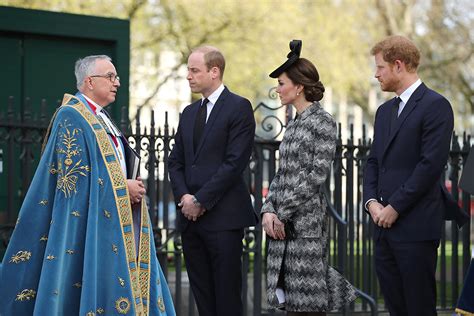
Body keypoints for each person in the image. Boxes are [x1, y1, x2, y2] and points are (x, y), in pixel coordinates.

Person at [0, 55, 175, 315]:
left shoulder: (101, 118)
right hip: (88, 225)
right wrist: (122, 188)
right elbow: (72, 181)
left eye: (116, 77)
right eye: (111, 76)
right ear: (90, 81)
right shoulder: (71, 116)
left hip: (113, 220)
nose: (117, 82)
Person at [363, 35, 458, 315]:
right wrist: (371, 203)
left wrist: (395, 207)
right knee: (395, 308)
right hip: (382, 228)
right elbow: (373, 162)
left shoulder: (436, 106)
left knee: (418, 308)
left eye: (380, 67)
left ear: (398, 65)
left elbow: (430, 166)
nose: (376, 74)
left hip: (415, 227)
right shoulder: (383, 112)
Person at [261, 40, 357, 316]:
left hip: (305, 223)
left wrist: (283, 211)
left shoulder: (322, 121)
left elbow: (317, 174)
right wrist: (268, 210)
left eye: (281, 83)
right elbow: (282, 174)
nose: (277, 90)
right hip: (281, 224)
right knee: (287, 300)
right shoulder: (292, 126)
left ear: (299, 86)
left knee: (309, 300)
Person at [168, 45, 257, 316]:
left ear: (214, 72)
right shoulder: (189, 112)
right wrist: (185, 198)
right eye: (188, 70)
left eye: (194, 70)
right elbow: (176, 162)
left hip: (224, 220)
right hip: (190, 221)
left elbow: (234, 164)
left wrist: (201, 200)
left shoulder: (239, 107)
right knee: (203, 298)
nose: (188, 76)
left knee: (227, 299)